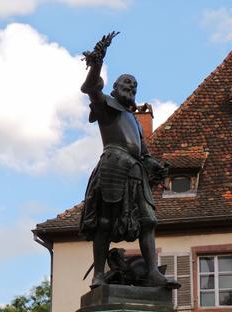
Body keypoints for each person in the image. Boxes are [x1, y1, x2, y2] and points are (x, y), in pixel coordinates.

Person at [79, 32, 177, 289]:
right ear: (114, 87)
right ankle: (99, 274)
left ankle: (153, 273)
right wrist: (97, 62)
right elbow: (89, 88)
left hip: (136, 171)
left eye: (134, 86)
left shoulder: (134, 119)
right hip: (113, 165)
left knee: (149, 220)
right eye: (126, 83)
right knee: (105, 222)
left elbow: (144, 153)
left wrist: (155, 165)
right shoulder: (105, 105)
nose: (131, 87)